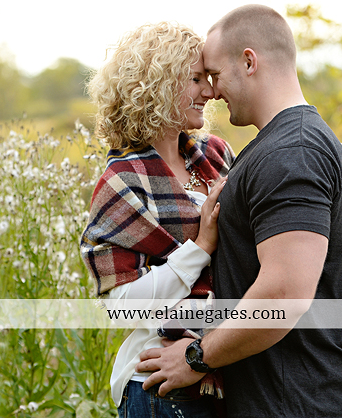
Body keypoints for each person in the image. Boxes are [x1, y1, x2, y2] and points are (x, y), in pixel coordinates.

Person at [136, 5, 342, 418]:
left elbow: (284, 295)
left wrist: (196, 357)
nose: (211, 90)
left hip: (297, 404)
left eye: (214, 74)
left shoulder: (292, 153)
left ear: (249, 61)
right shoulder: (295, 145)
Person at [80, 22, 232, 418]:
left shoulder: (215, 155)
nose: (210, 92)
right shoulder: (122, 181)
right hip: (157, 386)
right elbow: (123, 309)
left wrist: (328, 164)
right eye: (196, 79)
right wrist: (200, 248)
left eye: (210, 79)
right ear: (158, 84)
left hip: (220, 372)